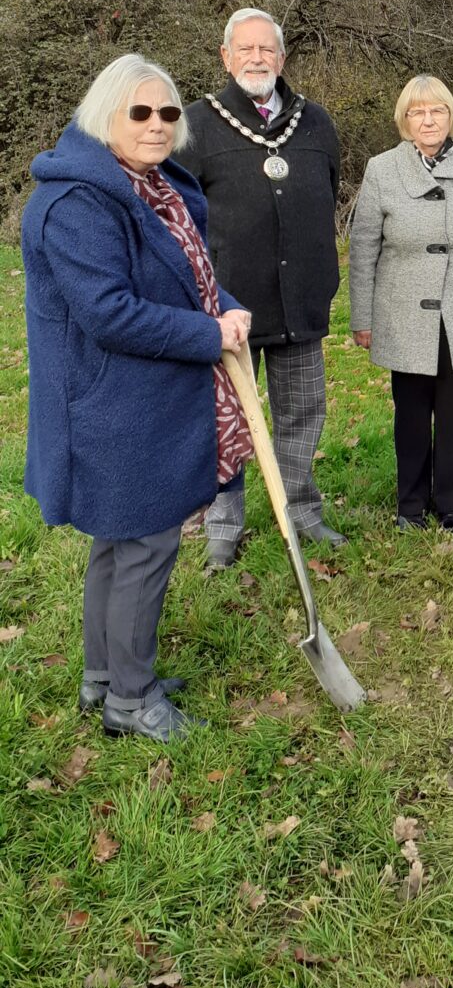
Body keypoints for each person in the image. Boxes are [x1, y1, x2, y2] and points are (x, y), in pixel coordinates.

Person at [22, 54, 253, 742]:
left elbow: (193, 278)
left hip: (142, 396)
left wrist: (226, 310)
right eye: (141, 112)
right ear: (106, 115)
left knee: (119, 544)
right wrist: (210, 335)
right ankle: (131, 697)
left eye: (169, 113)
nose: (158, 125)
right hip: (112, 408)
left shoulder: (153, 185)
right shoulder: (77, 202)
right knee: (145, 544)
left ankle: (104, 676)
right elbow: (110, 312)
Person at [182, 9, 345, 568]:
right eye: (245, 49)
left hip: (300, 293)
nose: (257, 58)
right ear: (226, 57)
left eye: (267, 50)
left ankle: (301, 510)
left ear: (282, 58)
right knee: (228, 416)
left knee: (302, 411)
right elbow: (179, 214)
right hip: (230, 305)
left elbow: (328, 188)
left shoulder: (315, 122)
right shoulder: (198, 124)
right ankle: (223, 525)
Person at [348, 75, 453, 533]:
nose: (428, 120)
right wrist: (361, 317)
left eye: (437, 111)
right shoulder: (381, 170)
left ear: (451, 117)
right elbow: (363, 248)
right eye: (418, 112)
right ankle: (410, 506)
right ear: (405, 119)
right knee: (412, 413)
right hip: (402, 314)